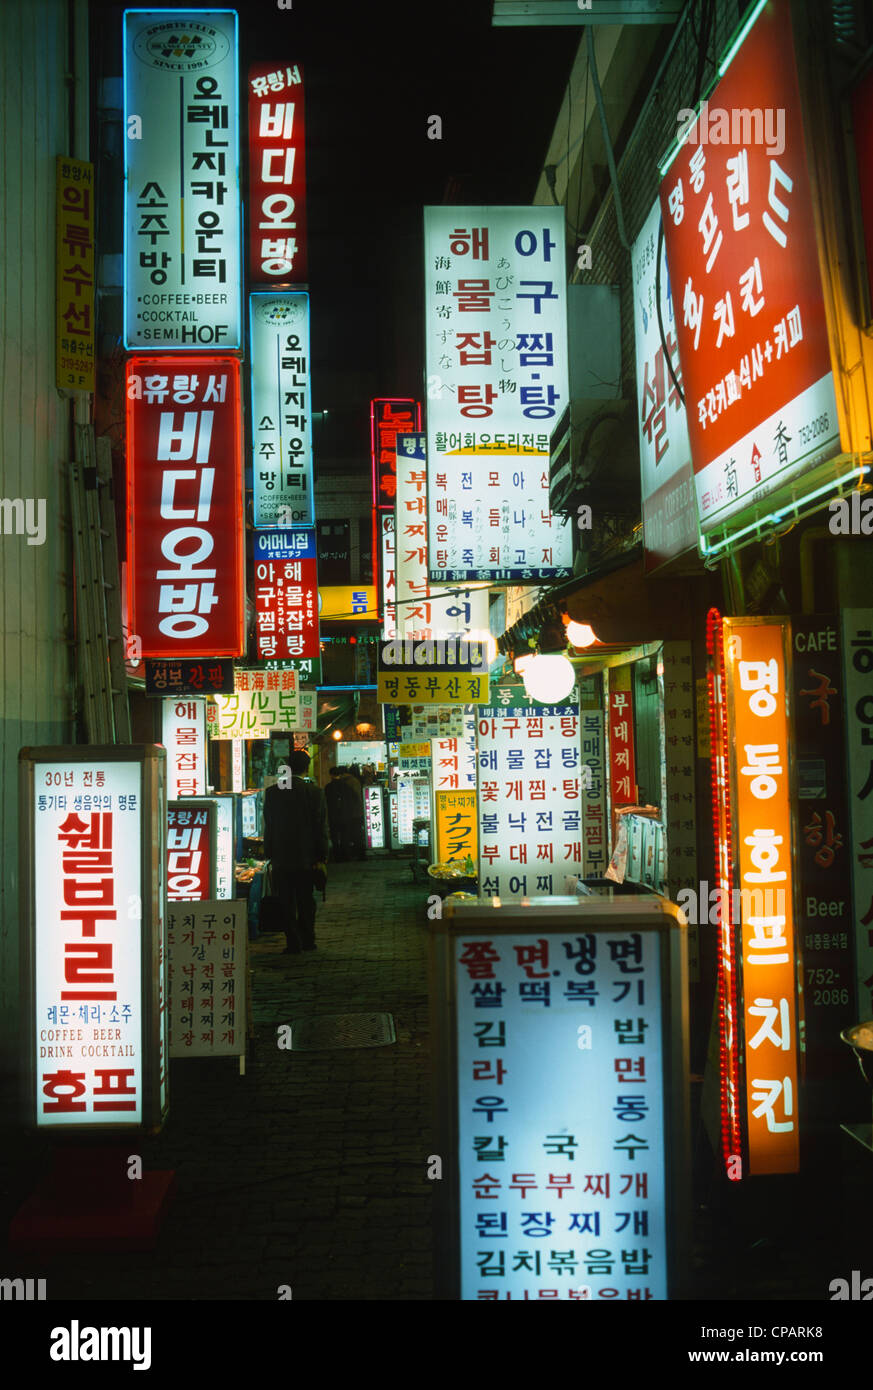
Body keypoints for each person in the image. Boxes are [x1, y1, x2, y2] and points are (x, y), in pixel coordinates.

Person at [262, 749, 329, 953]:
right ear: (306, 768)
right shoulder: (315, 793)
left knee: (286, 901)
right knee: (306, 899)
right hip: (307, 858)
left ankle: (293, 942)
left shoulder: (273, 793)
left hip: (281, 857)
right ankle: (308, 939)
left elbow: (269, 826)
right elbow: (321, 827)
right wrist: (322, 856)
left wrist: (269, 852)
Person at [325, 765, 352, 862]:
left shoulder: (328, 787)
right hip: (345, 815)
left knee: (335, 836)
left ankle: (337, 856)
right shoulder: (346, 786)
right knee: (345, 836)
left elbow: (326, 802)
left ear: (331, 775)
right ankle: (346, 856)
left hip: (333, 816)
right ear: (340, 774)